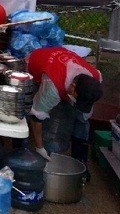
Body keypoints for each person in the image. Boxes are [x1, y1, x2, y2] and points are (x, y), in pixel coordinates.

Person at [26, 46, 103, 178]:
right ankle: (25, 150)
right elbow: (37, 116)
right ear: (73, 87)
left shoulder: (96, 76)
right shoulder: (52, 85)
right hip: (36, 62)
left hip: (64, 67)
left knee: (82, 120)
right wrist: (40, 147)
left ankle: (80, 160)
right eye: (77, 98)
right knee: (32, 108)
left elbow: (84, 114)